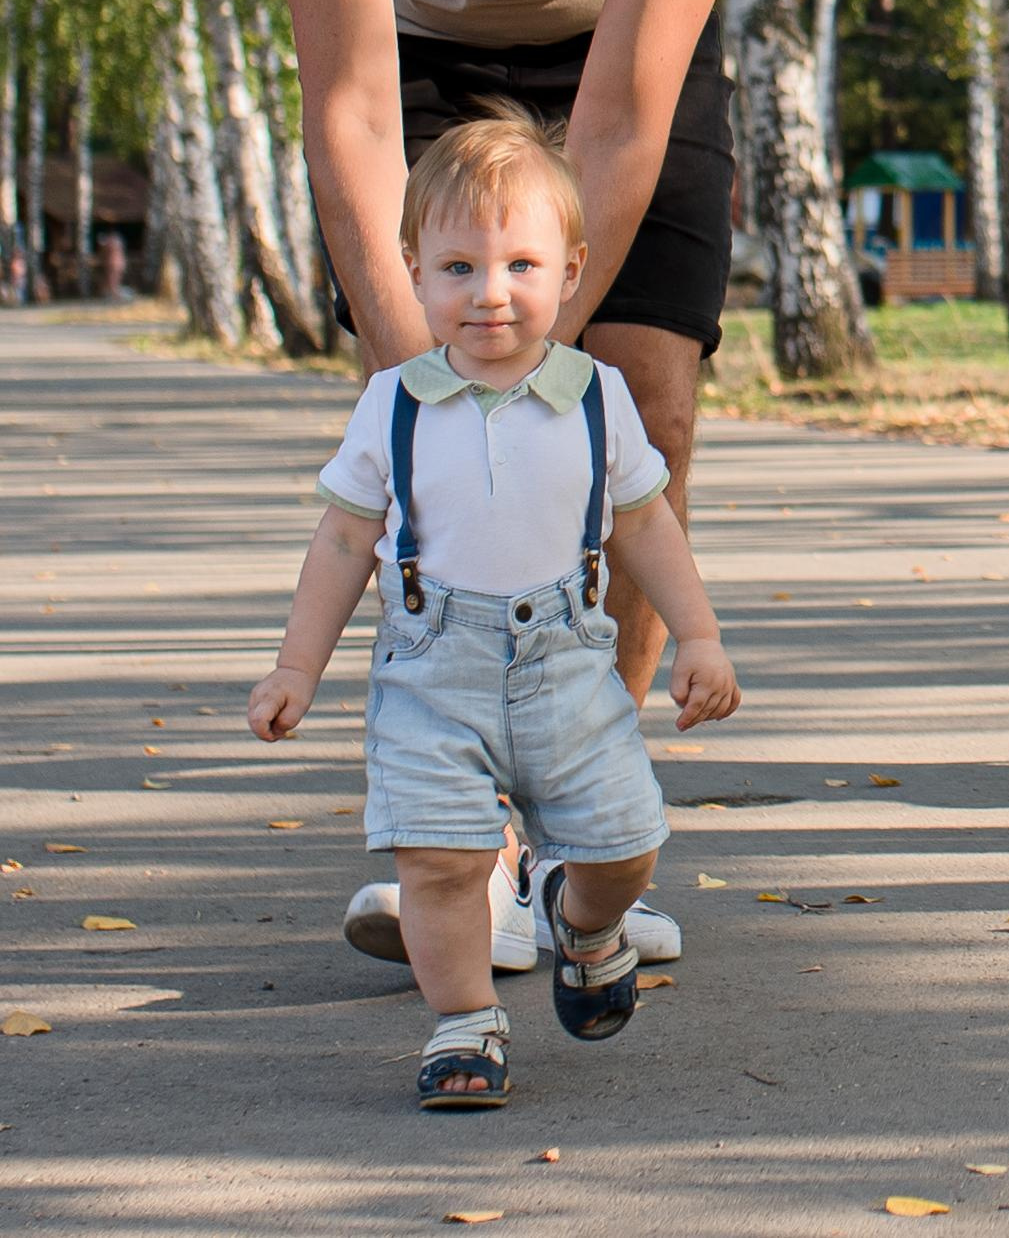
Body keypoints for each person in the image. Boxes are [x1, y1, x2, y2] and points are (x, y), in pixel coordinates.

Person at [254, 0, 768, 967]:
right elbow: (353, 112)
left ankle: (579, 842)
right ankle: (463, 852)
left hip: (616, 44)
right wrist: (425, 382)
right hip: (414, 48)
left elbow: (618, 123)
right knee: (437, 439)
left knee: (640, 402)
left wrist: (544, 374)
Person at [248, 111, 740, 1107]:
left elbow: (644, 524)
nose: (490, 292)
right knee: (437, 861)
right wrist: (297, 665)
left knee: (624, 844)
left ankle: (585, 923)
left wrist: (698, 633)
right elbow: (343, 540)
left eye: (521, 264)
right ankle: (465, 1023)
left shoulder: (597, 395)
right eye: (459, 267)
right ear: (413, 272)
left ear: (570, 271)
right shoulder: (395, 402)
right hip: (432, 672)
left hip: (568, 665)